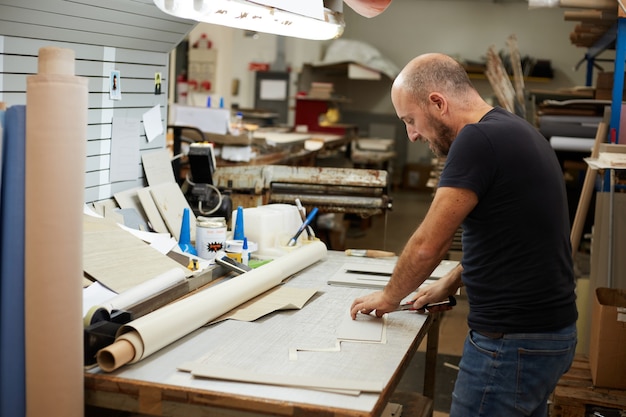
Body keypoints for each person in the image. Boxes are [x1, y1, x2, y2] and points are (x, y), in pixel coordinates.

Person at [349, 53, 578, 417]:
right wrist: (451, 282)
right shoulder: (513, 129)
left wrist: (391, 296)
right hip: (549, 336)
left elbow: (428, 245)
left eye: (411, 120)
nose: (411, 133)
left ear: (437, 103)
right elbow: (511, 240)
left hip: (512, 343)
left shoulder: (476, 140)